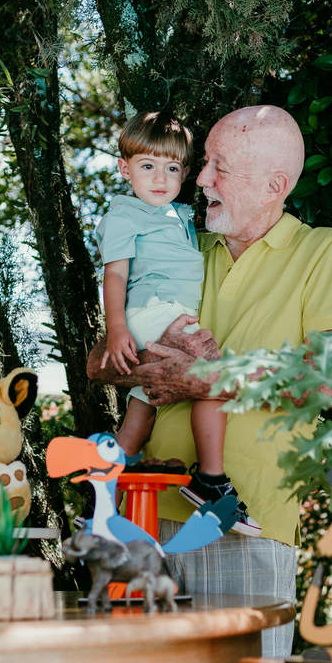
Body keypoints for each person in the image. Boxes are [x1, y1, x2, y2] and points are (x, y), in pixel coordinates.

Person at [85, 104, 332, 663]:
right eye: (204, 162)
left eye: (219, 167)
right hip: (143, 519)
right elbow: (99, 362)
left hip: (252, 526)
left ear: (274, 186)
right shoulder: (180, 239)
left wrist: (205, 379)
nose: (201, 178)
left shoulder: (321, 251)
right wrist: (136, 359)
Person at [97, 110, 260, 536]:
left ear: (185, 173)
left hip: (165, 315)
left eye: (171, 169)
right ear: (125, 169)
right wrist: (117, 328)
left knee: (139, 415)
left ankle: (102, 504)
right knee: (212, 379)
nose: (160, 178)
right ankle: (210, 480)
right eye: (147, 166)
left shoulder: (179, 215)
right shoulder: (125, 215)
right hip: (154, 312)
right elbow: (115, 275)